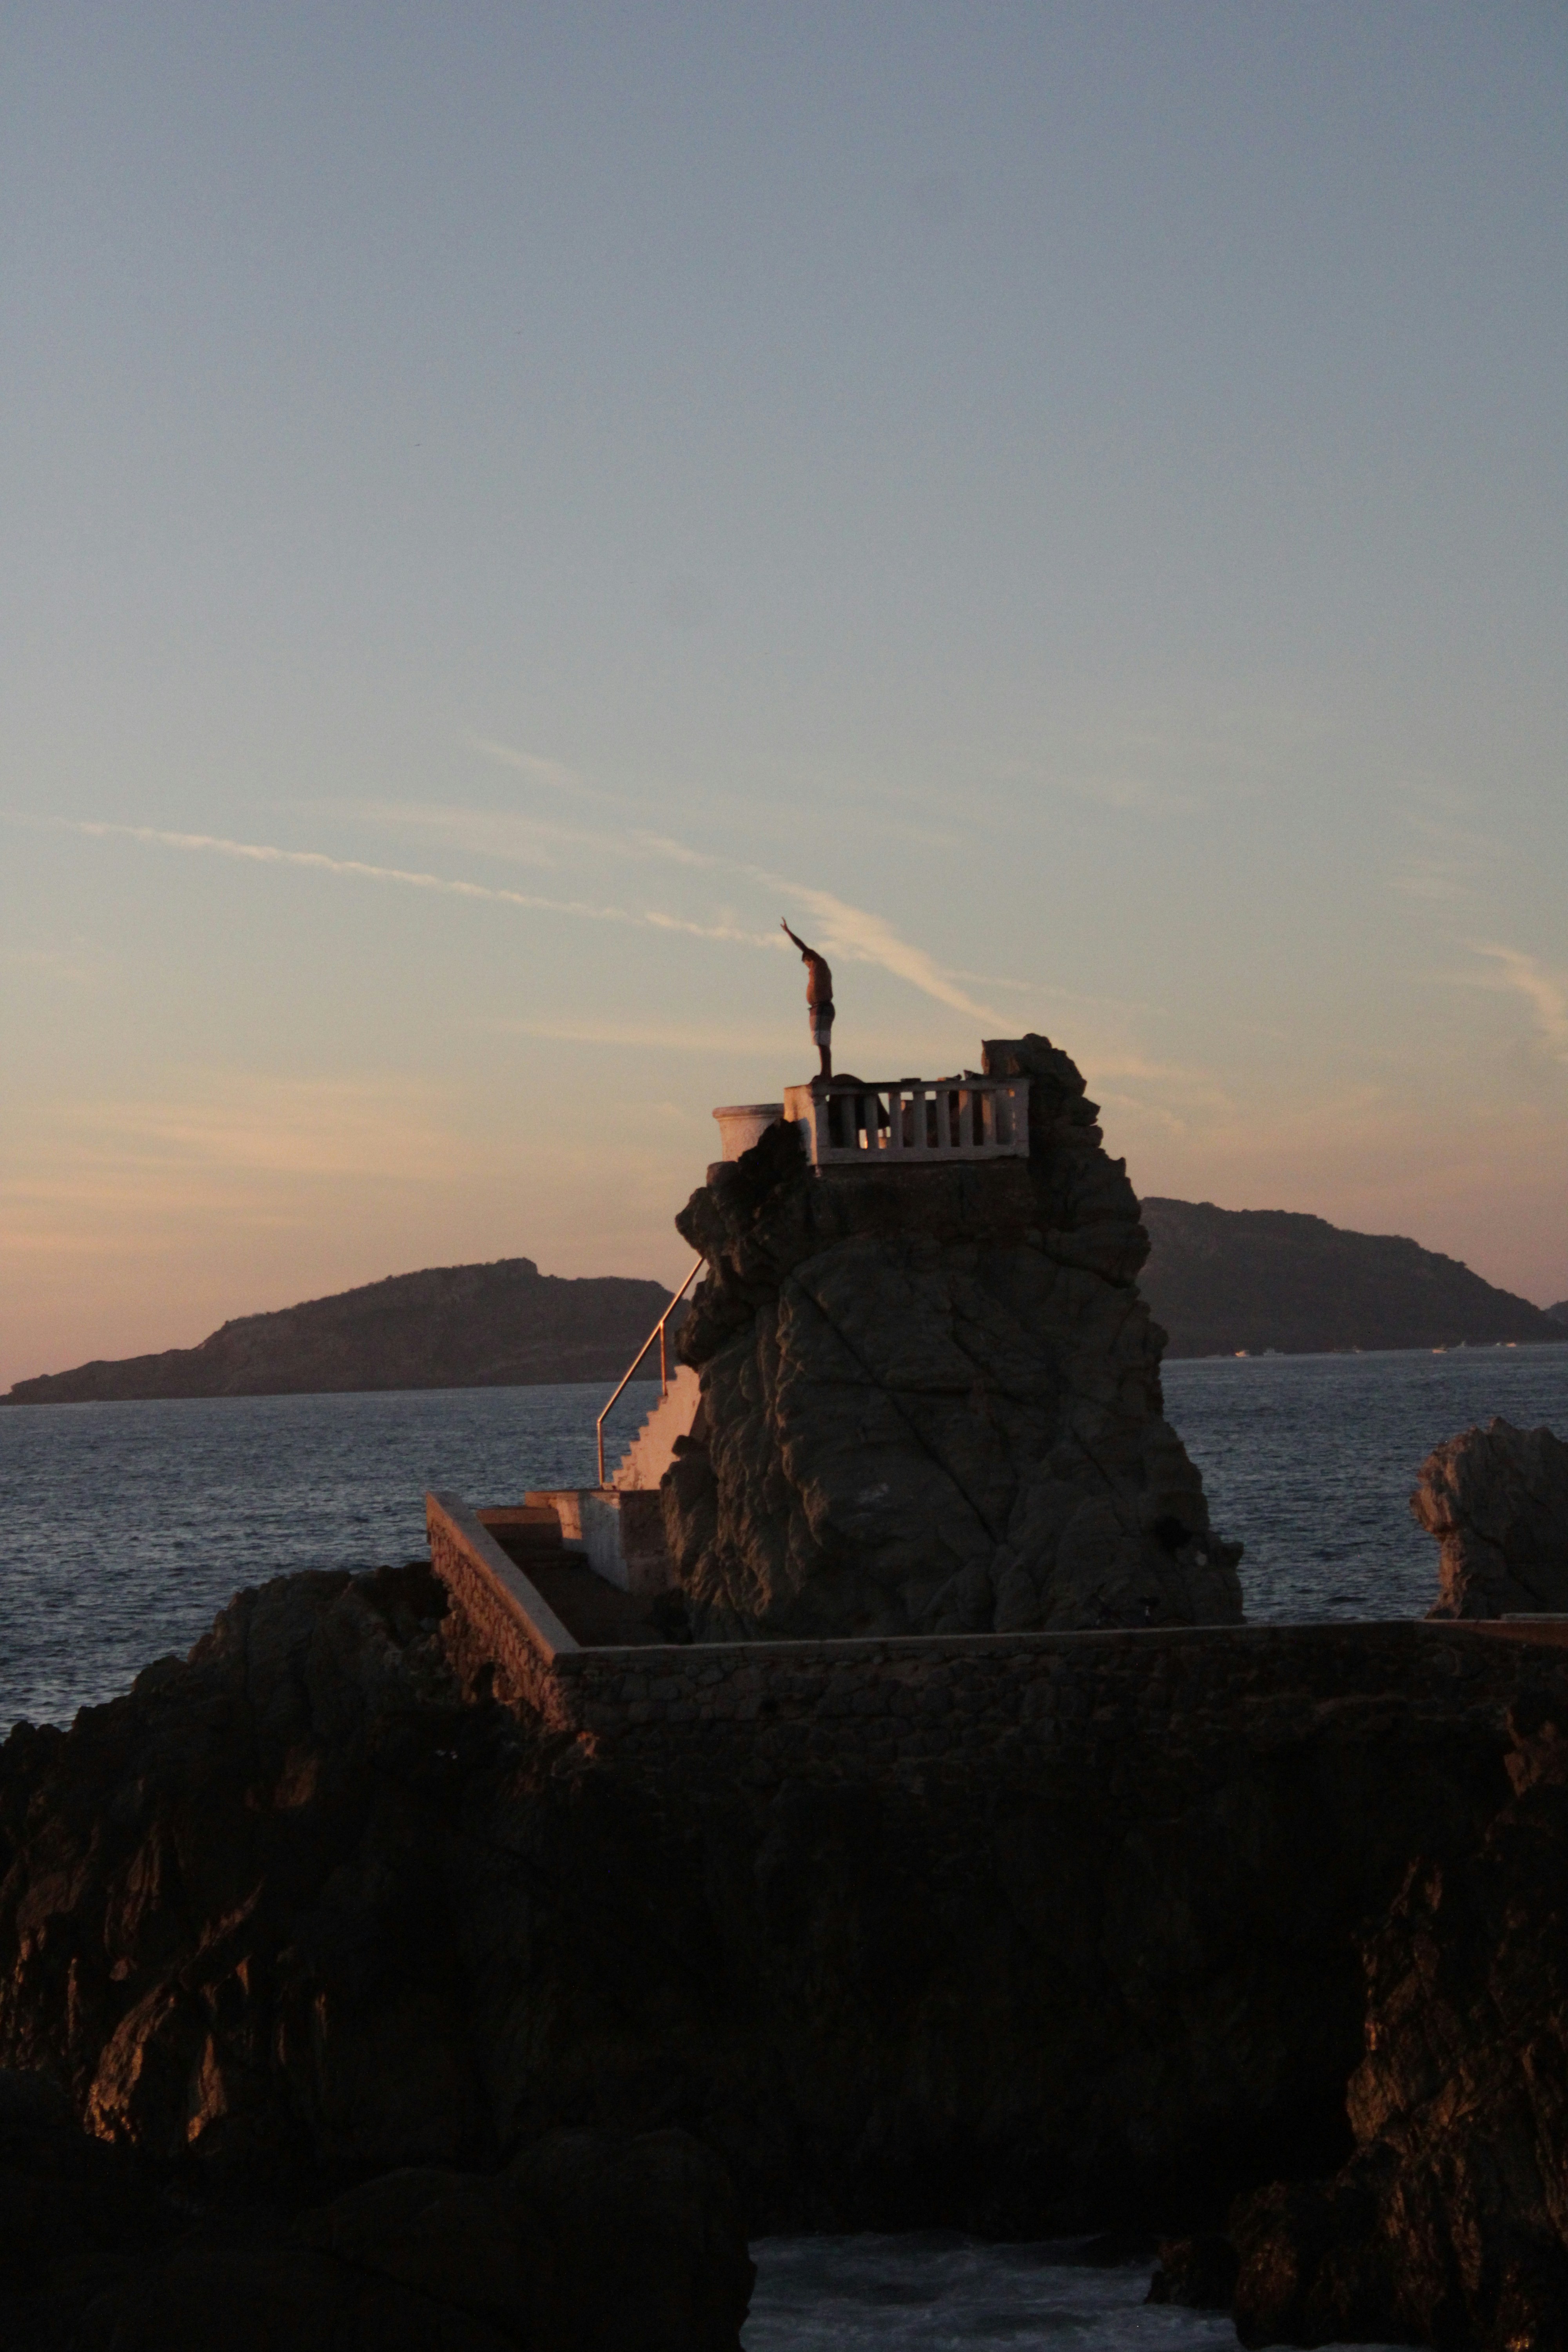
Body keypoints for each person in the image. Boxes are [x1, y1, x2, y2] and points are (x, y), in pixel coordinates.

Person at [781, 920, 834, 1079]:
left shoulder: (819, 963)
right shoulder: (816, 967)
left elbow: (802, 946)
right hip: (818, 1008)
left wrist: (789, 933)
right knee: (820, 1042)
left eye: (806, 963)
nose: (807, 967)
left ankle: (826, 1073)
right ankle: (826, 1072)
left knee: (822, 1042)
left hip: (823, 1006)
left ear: (809, 959)